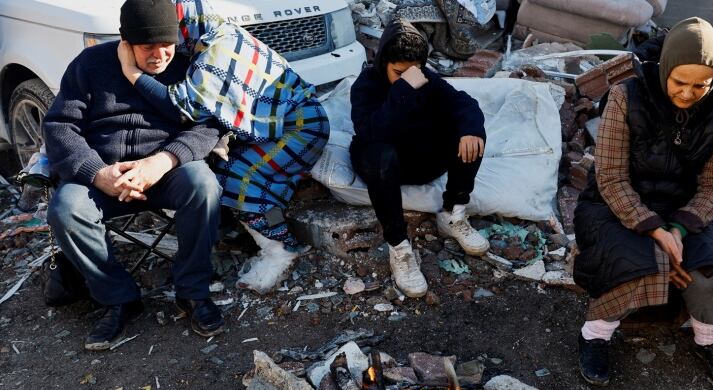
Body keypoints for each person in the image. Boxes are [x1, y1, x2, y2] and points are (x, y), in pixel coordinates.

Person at [43, 0, 226, 350]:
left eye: (166, 46)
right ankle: (118, 298)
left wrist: (164, 161)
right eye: (147, 48)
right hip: (102, 175)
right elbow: (60, 127)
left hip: (165, 172)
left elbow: (210, 125)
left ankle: (192, 292)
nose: (159, 56)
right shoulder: (90, 64)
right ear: (125, 42)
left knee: (203, 184)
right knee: (66, 210)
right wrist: (97, 173)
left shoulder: (190, 66)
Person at [573, 17, 713, 389]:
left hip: (683, 211)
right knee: (638, 263)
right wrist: (653, 228)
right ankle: (595, 335)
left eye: (701, 85)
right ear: (665, 69)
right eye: (680, 82)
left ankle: (711, 340)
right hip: (613, 206)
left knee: (707, 272)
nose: (687, 93)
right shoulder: (626, 96)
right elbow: (611, 177)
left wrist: (679, 228)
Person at [118, 0, 330, 294]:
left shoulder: (217, 51)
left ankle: (280, 250)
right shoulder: (207, 38)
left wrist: (132, 73)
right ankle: (244, 236)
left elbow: (182, 106)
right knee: (221, 169)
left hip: (299, 128)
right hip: (281, 125)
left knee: (240, 181)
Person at [349, 18, 489, 298]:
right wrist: (403, 89)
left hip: (420, 158)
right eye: (397, 72)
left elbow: (463, 103)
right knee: (381, 155)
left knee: (469, 131)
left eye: (412, 72)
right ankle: (399, 248)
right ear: (383, 64)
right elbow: (374, 131)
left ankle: (452, 214)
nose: (407, 78)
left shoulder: (424, 75)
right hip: (381, 161)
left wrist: (470, 129)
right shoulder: (366, 85)